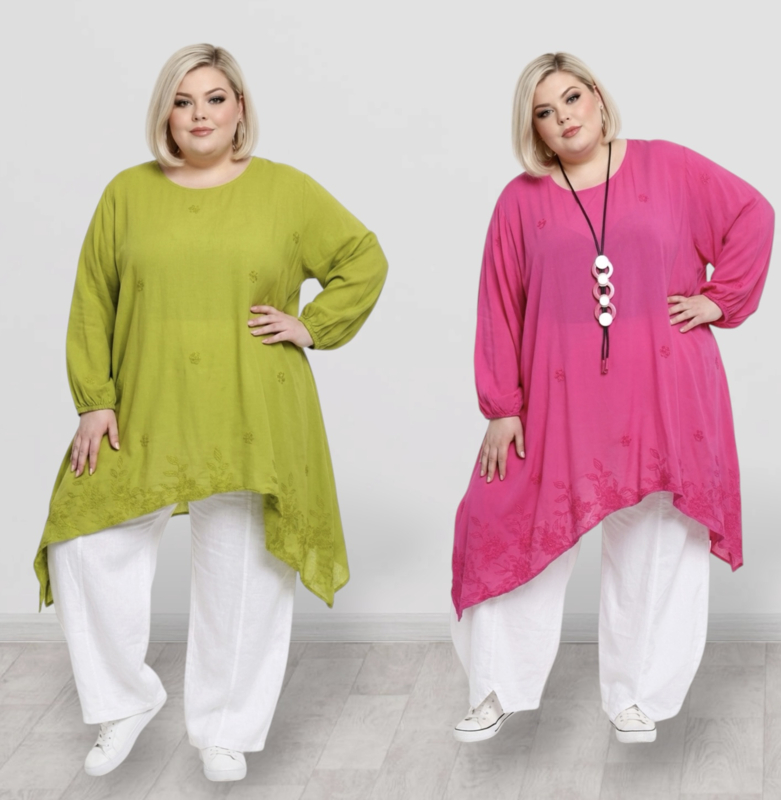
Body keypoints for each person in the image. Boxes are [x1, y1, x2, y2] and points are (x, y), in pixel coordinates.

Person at [34, 43, 387, 782]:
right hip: (147, 403)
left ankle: (226, 726)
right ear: (165, 113)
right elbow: (93, 298)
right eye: (183, 100)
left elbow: (362, 257)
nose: (199, 114)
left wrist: (310, 326)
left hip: (252, 404)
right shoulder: (127, 193)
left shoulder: (285, 190)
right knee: (82, 541)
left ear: (240, 109)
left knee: (243, 566)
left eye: (215, 99)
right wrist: (95, 400)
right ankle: (123, 702)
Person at [450, 52, 773, 745]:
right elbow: (499, 303)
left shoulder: (668, 167)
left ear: (597, 97)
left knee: (657, 538)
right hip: (557, 398)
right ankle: (497, 688)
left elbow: (753, 213)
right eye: (545, 111)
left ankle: (638, 697)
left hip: (663, 388)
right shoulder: (520, 200)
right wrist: (501, 406)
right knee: (506, 521)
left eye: (572, 98)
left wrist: (719, 300)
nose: (564, 117)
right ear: (533, 128)